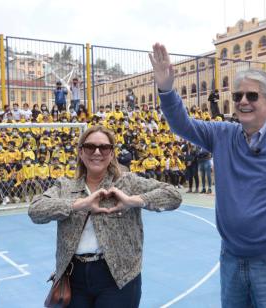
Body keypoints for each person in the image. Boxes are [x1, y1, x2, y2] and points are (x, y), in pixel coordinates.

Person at [149, 43, 266, 307]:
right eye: (237, 96)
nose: (243, 101)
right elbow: (181, 124)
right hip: (231, 261)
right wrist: (166, 88)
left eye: (252, 96)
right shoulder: (222, 134)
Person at [28, 125, 181, 308]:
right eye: (90, 147)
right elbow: (36, 210)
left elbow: (173, 196)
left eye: (104, 147)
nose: (97, 152)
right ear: (81, 152)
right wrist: (79, 204)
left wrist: (134, 200)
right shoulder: (65, 187)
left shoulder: (127, 183)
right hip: (73, 277)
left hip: (119, 276)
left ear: (112, 153)